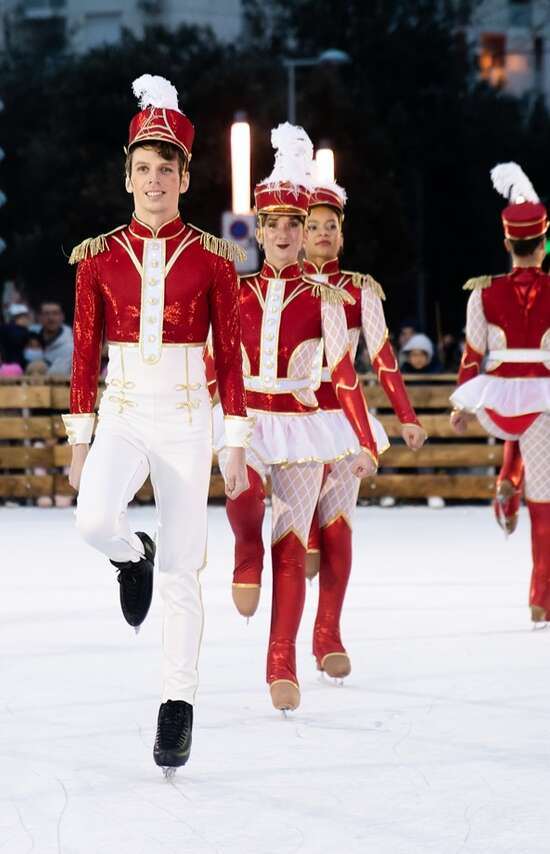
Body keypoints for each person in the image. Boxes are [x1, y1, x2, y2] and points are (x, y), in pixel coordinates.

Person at [63, 75, 251, 774]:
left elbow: (229, 359)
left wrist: (235, 443)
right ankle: (125, 554)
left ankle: (177, 707)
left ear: (184, 176)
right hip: (122, 410)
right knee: (90, 521)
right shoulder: (97, 258)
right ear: (128, 175)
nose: (153, 181)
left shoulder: (212, 258)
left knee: (183, 569)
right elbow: (84, 351)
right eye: (142, 169)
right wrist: (80, 440)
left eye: (165, 169)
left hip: (185, 416)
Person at [209, 123, 379, 712]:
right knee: (243, 493)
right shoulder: (234, 291)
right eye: (272, 224)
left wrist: (364, 441)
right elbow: (213, 360)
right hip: (247, 418)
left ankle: (280, 659)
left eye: (294, 225)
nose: (283, 234)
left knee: (292, 545)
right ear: (257, 230)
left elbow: (345, 375)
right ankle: (242, 550)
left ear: (307, 232)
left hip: (306, 427)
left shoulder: (327, 298)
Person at [450, 162, 550, 624]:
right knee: (546, 501)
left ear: (507, 244)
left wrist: (463, 401)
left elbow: (471, 354)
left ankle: (506, 481)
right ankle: (543, 591)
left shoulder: (482, 293)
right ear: (544, 244)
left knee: (516, 453)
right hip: (546, 397)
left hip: (498, 394)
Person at [301, 177, 426, 679]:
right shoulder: (276, 288)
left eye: (331, 226)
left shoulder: (359, 290)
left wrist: (407, 417)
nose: (323, 233)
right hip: (288, 419)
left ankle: (328, 633)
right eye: (313, 226)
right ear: (298, 232)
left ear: (342, 233)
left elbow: (382, 357)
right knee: (300, 518)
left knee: (340, 531)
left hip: (344, 420)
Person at [38, 302, 74, 376]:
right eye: (46, 314)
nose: (51, 318)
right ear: (40, 317)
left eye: (55, 313)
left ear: (62, 317)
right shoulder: (30, 341)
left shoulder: (71, 348)